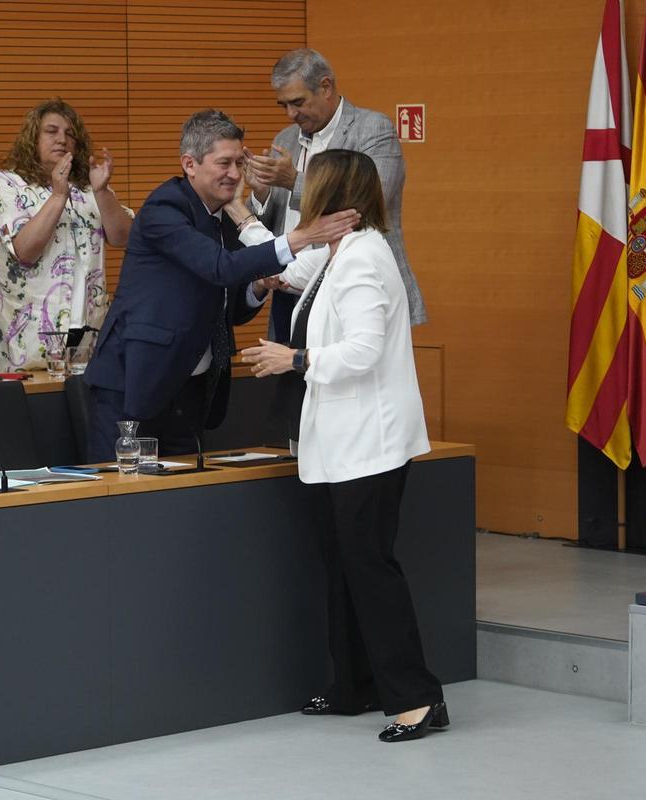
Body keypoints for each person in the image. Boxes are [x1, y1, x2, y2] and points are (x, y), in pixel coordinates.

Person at [235, 149, 445, 743]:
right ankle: (356, 685)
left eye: (311, 190)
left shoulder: (363, 261)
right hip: (341, 444)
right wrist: (240, 213)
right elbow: (292, 270)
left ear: (334, 197)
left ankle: (417, 698)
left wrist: (294, 358)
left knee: (370, 568)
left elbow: (363, 351)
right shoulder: (338, 256)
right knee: (343, 567)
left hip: (369, 444)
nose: (301, 202)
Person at [82, 110, 358, 462]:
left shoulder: (223, 213)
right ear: (190, 164)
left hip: (191, 386)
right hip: (134, 378)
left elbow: (230, 305)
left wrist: (257, 288)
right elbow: (218, 268)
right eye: (223, 163)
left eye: (239, 163)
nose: (234, 174)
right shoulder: (166, 207)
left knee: (183, 493)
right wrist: (301, 237)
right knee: (120, 492)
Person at [245, 48, 425, 341]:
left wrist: (293, 181)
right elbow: (273, 223)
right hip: (288, 290)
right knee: (290, 384)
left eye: (298, 102)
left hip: (350, 287)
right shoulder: (284, 139)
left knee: (344, 378)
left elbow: (368, 202)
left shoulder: (372, 129)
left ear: (326, 87)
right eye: (284, 106)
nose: (291, 114)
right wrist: (262, 193)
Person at [0, 98, 133, 371]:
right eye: (51, 131)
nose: (62, 139)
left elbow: (124, 238)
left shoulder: (89, 187)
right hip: (26, 341)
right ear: (33, 138)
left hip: (86, 334)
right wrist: (59, 195)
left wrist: (101, 192)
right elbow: (25, 251)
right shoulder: (8, 183)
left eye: (69, 133)